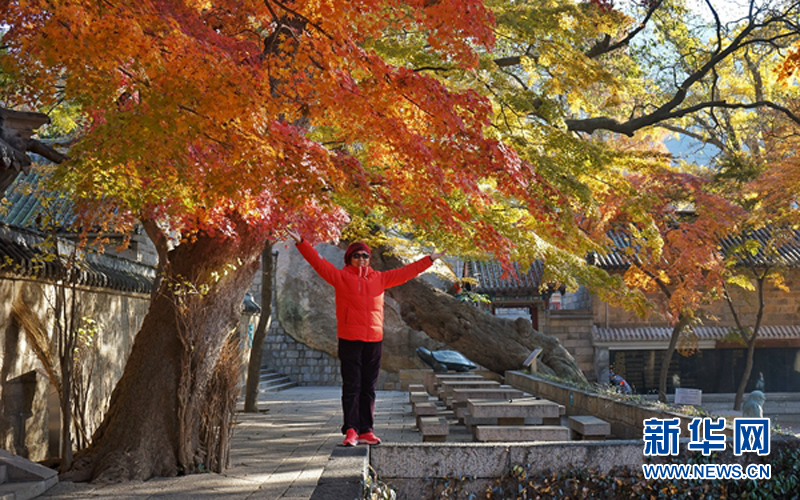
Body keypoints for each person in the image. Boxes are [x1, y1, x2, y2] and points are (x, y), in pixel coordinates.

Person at [288, 230, 445, 446]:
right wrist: (302, 242)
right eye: (357, 255)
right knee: (352, 386)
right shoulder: (341, 277)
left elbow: (406, 273)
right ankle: (351, 430)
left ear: (369, 259)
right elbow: (318, 263)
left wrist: (429, 260)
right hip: (349, 338)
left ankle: (366, 431)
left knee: (369, 387)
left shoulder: (379, 278)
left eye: (365, 256)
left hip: (374, 339)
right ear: (349, 258)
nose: (361, 259)